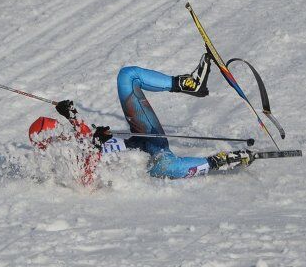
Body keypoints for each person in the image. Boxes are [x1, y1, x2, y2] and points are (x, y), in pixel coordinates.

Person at [28, 53, 254, 180]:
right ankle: (218, 162)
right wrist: (95, 142)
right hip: (151, 161)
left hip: (142, 136)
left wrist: (75, 118)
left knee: (126, 76)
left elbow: (86, 138)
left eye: (58, 128)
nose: (61, 134)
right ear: (44, 144)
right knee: (169, 168)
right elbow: (86, 181)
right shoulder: (56, 168)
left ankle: (186, 84)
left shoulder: (73, 139)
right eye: (54, 134)